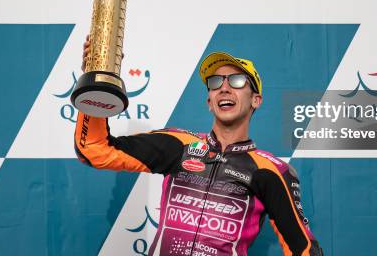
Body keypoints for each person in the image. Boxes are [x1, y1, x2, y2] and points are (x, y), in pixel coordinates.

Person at [75, 40, 323, 255]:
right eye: (215, 82)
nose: (224, 87)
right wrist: (96, 81)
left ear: (256, 100)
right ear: (209, 101)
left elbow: (303, 248)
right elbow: (94, 149)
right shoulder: (178, 145)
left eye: (237, 81)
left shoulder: (271, 170)